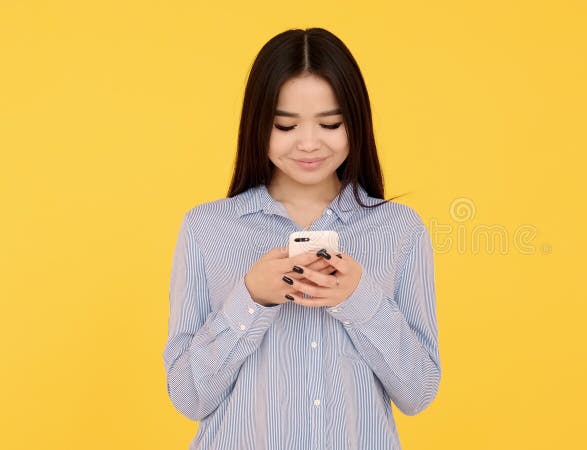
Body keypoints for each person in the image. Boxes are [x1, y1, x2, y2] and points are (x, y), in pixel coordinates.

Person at [162, 27, 442, 450]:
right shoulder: (207, 229)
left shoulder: (399, 231)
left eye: (330, 123)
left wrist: (360, 299)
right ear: (258, 123)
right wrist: (249, 299)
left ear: (357, 122)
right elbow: (187, 397)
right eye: (285, 125)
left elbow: (419, 393)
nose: (309, 143)